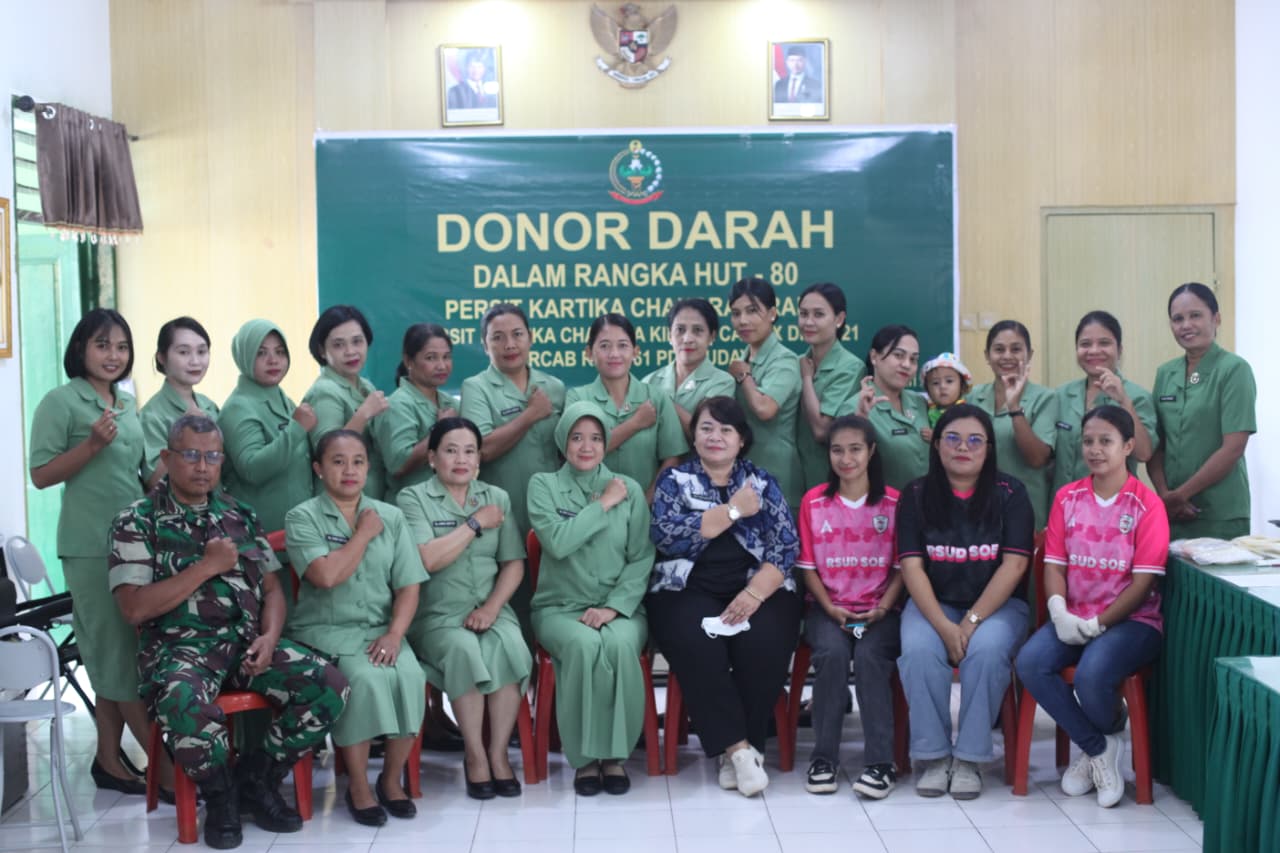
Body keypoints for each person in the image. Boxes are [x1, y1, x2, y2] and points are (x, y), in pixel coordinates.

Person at [109, 415, 349, 850]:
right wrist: (206, 567)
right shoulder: (136, 520)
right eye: (191, 455)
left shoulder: (240, 515)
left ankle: (257, 779)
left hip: (246, 645)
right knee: (182, 702)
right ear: (166, 458)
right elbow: (133, 608)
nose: (203, 466)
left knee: (329, 685)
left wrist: (269, 637)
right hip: (180, 650)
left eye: (213, 456)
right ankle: (220, 798)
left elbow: (272, 589)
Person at [28, 308, 165, 798]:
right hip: (89, 546)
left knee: (115, 654)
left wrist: (170, 464)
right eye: (103, 345)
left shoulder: (126, 405)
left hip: (134, 542)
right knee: (117, 654)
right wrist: (89, 445)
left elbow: (139, 479)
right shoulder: (61, 401)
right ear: (80, 349)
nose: (114, 355)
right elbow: (40, 474)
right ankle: (167, 772)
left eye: (122, 346)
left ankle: (108, 760)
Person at [1015, 405, 1169, 809]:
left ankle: (1098, 741)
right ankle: (1100, 746)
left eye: (1106, 441)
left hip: (1132, 622)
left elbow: (1142, 584)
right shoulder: (1068, 498)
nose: (1095, 450)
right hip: (1073, 615)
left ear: (1128, 446)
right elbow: (1054, 565)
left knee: (1091, 675)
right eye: (1088, 441)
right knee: (1030, 662)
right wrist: (1058, 611)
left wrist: (1098, 624)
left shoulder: (1147, 505)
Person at [648, 396, 802, 798]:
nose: (715, 436)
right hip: (687, 587)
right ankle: (739, 750)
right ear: (694, 436)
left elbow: (786, 547)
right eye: (706, 428)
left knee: (764, 641)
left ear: (741, 439)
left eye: (725, 429)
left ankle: (741, 751)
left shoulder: (761, 483)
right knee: (699, 644)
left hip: (755, 585)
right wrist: (732, 511)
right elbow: (666, 535)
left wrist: (754, 594)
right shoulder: (674, 481)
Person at [285, 430, 427, 826]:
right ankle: (359, 785)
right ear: (318, 468)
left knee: (410, 676)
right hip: (326, 630)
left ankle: (391, 779)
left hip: (381, 629)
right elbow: (326, 575)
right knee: (363, 679)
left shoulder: (391, 516)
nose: (350, 470)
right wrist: (363, 534)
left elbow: (409, 586)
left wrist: (395, 635)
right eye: (338, 461)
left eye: (358, 461)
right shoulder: (302, 517)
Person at [896, 404, 1033, 800]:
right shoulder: (916, 494)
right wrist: (943, 625)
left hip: (998, 608)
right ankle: (934, 757)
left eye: (975, 440)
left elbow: (1014, 565)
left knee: (987, 652)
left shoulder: (1011, 493)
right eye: (953, 438)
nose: (963, 448)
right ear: (936, 444)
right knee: (919, 651)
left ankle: (971, 758)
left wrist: (971, 621)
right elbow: (912, 567)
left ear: (989, 448)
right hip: (934, 604)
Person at [397, 417, 531, 800]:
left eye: (469, 451)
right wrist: (474, 523)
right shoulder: (413, 499)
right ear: (432, 458)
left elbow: (513, 564)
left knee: (510, 646)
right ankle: (475, 755)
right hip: (436, 615)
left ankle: (498, 753)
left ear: (479, 458)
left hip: (490, 608)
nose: (461, 459)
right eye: (451, 451)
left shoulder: (496, 497)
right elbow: (427, 559)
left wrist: (491, 608)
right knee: (463, 649)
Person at [527, 402, 654, 796]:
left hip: (620, 607)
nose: (587, 446)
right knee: (584, 646)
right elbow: (558, 542)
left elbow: (642, 556)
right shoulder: (543, 486)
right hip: (559, 608)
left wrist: (613, 607)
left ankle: (615, 756)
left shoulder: (630, 489)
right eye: (577, 437)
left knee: (618, 646)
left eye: (596, 438)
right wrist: (602, 504)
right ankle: (584, 759)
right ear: (563, 441)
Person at [796, 415, 903, 799]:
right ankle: (824, 758)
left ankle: (881, 763)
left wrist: (883, 608)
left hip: (880, 611)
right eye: (837, 450)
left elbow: (903, 568)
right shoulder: (814, 501)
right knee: (832, 654)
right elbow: (807, 567)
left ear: (871, 451)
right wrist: (830, 608)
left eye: (855, 449)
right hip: (828, 609)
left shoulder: (894, 502)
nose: (846, 459)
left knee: (872, 657)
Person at [1149, 282, 1257, 539]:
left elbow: (1233, 447)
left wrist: (1180, 495)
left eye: (1195, 315)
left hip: (1220, 513)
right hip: (1172, 514)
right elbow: (1155, 444)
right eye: (1178, 319)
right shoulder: (1165, 373)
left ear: (1216, 318)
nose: (1186, 325)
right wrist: (1165, 496)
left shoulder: (1234, 369)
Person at [459, 303, 564, 537]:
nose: (510, 344)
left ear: (530, 338)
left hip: (553, 508)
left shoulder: (554, 387)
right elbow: (483, 449)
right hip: (501, 510)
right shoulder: (476, 388)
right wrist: (531, 415)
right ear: (485, 346)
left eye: (517, 334)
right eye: (498, 337)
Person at [566, 313, 685, 496]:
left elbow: (673, 458)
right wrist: (635, 423)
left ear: (635, 352)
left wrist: (645, 503)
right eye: (604, 346)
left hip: (648, 506)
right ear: (589, 353)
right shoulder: (577, 398)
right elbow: (578, 453)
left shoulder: (656, 397)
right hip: (589, 507)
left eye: (622, 345)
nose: (614, 354)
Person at [218, 319, 315, 536]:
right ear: (244, 356)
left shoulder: (284, 399)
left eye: (280, 352)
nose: (273, 360)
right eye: (261, 353)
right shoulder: (238, 407)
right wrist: (296, 429)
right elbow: (252, 468)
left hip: (296, 531)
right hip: (261, 536)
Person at [968, 320, 1059, 529]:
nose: (1007, 356)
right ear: (987, 356)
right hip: (979, 509)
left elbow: (1037, 459)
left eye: (1016, 349)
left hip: (1025, 510)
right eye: (999, 349)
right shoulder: (975, 396)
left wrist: (1014, 407)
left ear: (1030, 354)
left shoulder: (1045, 397)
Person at [1053, 311, 1156, 492]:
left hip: (1115, 502)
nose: (1093, 351)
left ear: (1119, 350)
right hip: (1065, 501)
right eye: (1085, 344)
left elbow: (1144, 453)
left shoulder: (1137, 396)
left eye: (1104, 343)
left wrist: (1124, 400)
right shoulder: (1060, 395)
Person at [726, 278, 804, 510]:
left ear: (772, 314)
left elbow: (765, 408)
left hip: (777, 473)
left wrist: (743, 376)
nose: (743, 320)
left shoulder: (784, 359)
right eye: (736, 313)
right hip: (743, 473)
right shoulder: (745, 359)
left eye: (752, 311)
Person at [302, 305, 389, 499]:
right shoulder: (324, 391)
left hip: (370, 495)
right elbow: (328, 452)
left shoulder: (365, 385)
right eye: (338, 345)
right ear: (322, 350)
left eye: (357, 341)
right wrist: (363, 414)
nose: (351, 352)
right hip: (340, 502)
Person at [372, 323, 459, 500]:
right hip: (411, 506)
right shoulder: (397, 404)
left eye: (446, 357)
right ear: (408, 361)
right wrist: (441, 429)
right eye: (431, 358)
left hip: (448, 504)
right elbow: (398, 465)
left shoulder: (450, 403)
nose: (442, 365)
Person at [796, 283, 865, 488]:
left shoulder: (851, 367)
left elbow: (821, 430)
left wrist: (807, 379)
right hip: (794, 477)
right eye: (803, 314)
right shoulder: (798, 362)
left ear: (839, 319)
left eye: (818, 314)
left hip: (829, 480)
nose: (808, 322)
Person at [140, 316, 220, 485]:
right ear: (161, 357)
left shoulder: (209, 406)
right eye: (183, 352)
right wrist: (183, 432)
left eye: (201, 351)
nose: (195, 361)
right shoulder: (151, 415)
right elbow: (155, 480)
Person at [851, 325, 930, 490]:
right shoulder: (856, 407)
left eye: (913, 359)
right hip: (880, 503)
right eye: (898, 355)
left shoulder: (920, 402)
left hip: (925, 501)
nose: (907, 365)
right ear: (874, 357)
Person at [642, 297, 736, 432]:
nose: (687, 339)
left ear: (712, 336)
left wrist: (661, 401)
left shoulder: (722, 382)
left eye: (697, 330)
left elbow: (707, 433)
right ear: (669, 335)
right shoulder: (648, 382)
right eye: (680, 330)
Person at [921, 351, 971, 439]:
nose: (942, 387)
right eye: (935, 383)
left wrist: (937, 437)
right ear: (928, 390)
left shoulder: (965, 413)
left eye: (949, 381)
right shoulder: (926, 409)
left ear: (962, 386)